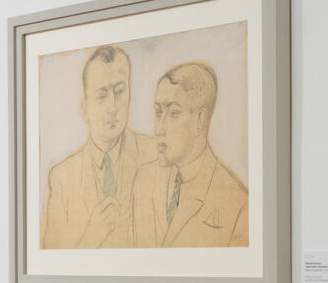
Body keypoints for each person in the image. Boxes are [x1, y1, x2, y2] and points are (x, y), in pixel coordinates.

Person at [40, 45, 152, 247]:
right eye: (101, 96)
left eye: (120, 92)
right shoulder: (61, 178)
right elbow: (52, 258)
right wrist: (92, 235)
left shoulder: (156, 155)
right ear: (84, 109)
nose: (113, 107)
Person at [130, 60, 248, 246]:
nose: (159, 129)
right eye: (158, 113)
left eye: (174, 113)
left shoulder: (237, 203)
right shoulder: (143, 181)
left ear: (200, 120)